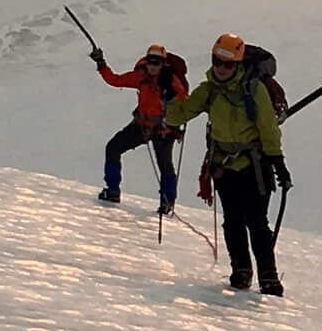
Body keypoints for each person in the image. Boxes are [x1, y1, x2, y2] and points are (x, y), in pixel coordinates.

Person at [165, 32, 290, 296]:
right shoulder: (209, 89)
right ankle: (241, 271)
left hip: (254, 166)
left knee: (256, 221)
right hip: (224, 167)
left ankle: (268, 277)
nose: (221, 68)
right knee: (233, 221)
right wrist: (168, 95)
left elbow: (268, 128)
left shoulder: (253, 89)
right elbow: (181, 114)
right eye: (217, 62)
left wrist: (277, 163)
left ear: (238, 63)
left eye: (228, 64)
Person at [91, 42, 185, 212]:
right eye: (151, 61)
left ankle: (166, 202)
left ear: (163, 63)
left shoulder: (169, 80)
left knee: (164, 165)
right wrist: (101, 65)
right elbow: (115, 80)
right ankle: (115, 191)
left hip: (161, 129)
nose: (153, 65)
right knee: (113, 148)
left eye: (156, 62)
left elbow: (185, 101)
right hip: (147, 126)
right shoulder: (142, 76)